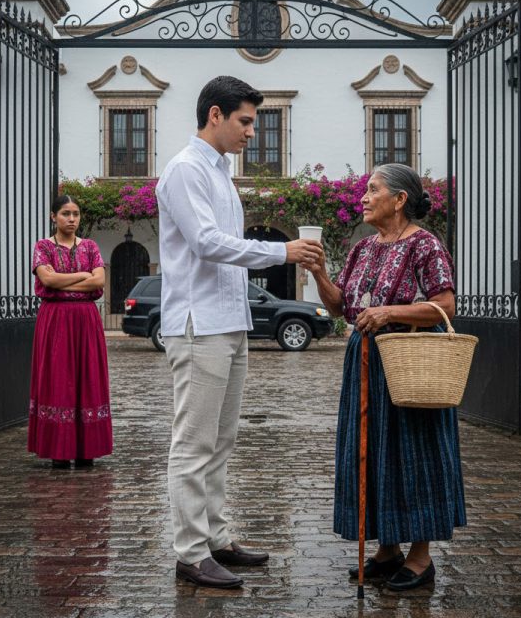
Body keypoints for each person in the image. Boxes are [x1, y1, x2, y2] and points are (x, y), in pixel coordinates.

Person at [156, 75, 322, 589]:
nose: (253, 132)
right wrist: (281, 252)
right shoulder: (185, 170)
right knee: (194, 443)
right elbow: (206, 243)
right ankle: (189, 553)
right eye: (246, 121)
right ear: (215, 116)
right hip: (197, 323)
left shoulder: (220, 173)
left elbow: (221, 246)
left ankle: (216, 540)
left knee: (222, 440)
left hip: (229, 323)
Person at [302, 163, 466, 591]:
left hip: (409, 360)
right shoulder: (361, 248)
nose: (364, 197)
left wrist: (389, 312)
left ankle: (421, 556)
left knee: (415, 454)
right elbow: (341, 307)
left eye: (373, 190)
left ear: (399, 200)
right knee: (373, 452)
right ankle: (387, 549)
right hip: (365, 363)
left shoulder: (425, 245)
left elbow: (445, 305)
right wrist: (319, 272)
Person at [28, 194, 113, 469]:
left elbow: (99, 280)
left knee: (88, 377)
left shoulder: (90, 246)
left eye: (75, 213)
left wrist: (63, 283)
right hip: (55, 320)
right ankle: (59, 451)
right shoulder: (43, 247)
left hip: (86, 321)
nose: (72, 219)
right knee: (58, 378)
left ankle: (87, 449)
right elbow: (47, 279)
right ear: (54, 216)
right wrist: (82, 276)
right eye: (65, 213)